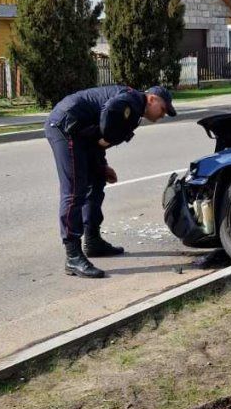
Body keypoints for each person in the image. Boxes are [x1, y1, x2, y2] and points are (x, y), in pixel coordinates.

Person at [45, 82, 176, 278]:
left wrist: (101, 166)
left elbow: (98, 135)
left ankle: (92, 240)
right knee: (74, 191)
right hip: (65, 126)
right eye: (163, 109)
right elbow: (109, 113)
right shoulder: (132, 100)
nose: (162, 115)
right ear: (152, 99)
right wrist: (107, 136)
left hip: (80, 131)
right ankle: (72, 255)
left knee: (97, 180)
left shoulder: (135, 108)